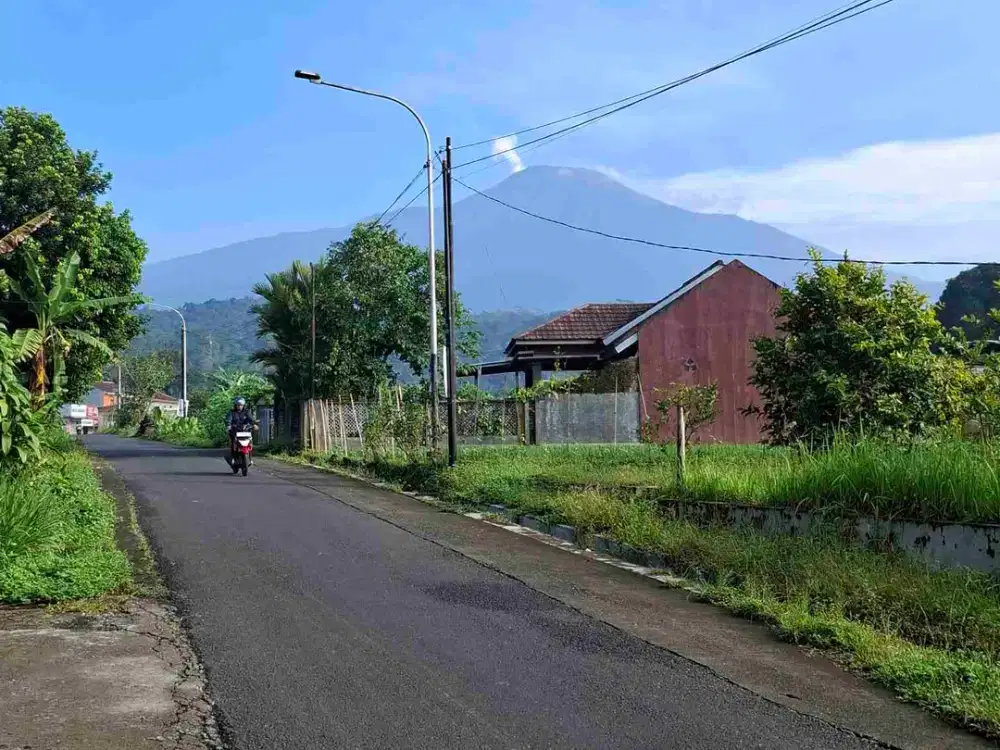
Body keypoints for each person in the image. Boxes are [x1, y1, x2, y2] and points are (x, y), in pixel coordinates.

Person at [225, 397, 258, 466]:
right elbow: (228, 420)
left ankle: (250, 458)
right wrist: (228, 426)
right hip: (235, 430)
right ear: (235, 405)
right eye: (238, 405)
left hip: (245, 431)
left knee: (250, 442)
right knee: (232, 442)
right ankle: (233, 458)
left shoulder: (247, 412)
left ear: (243, 405)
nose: (239, 406)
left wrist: (254, 424)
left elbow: (251, 419)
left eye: (241, 405)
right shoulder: (232, 412)